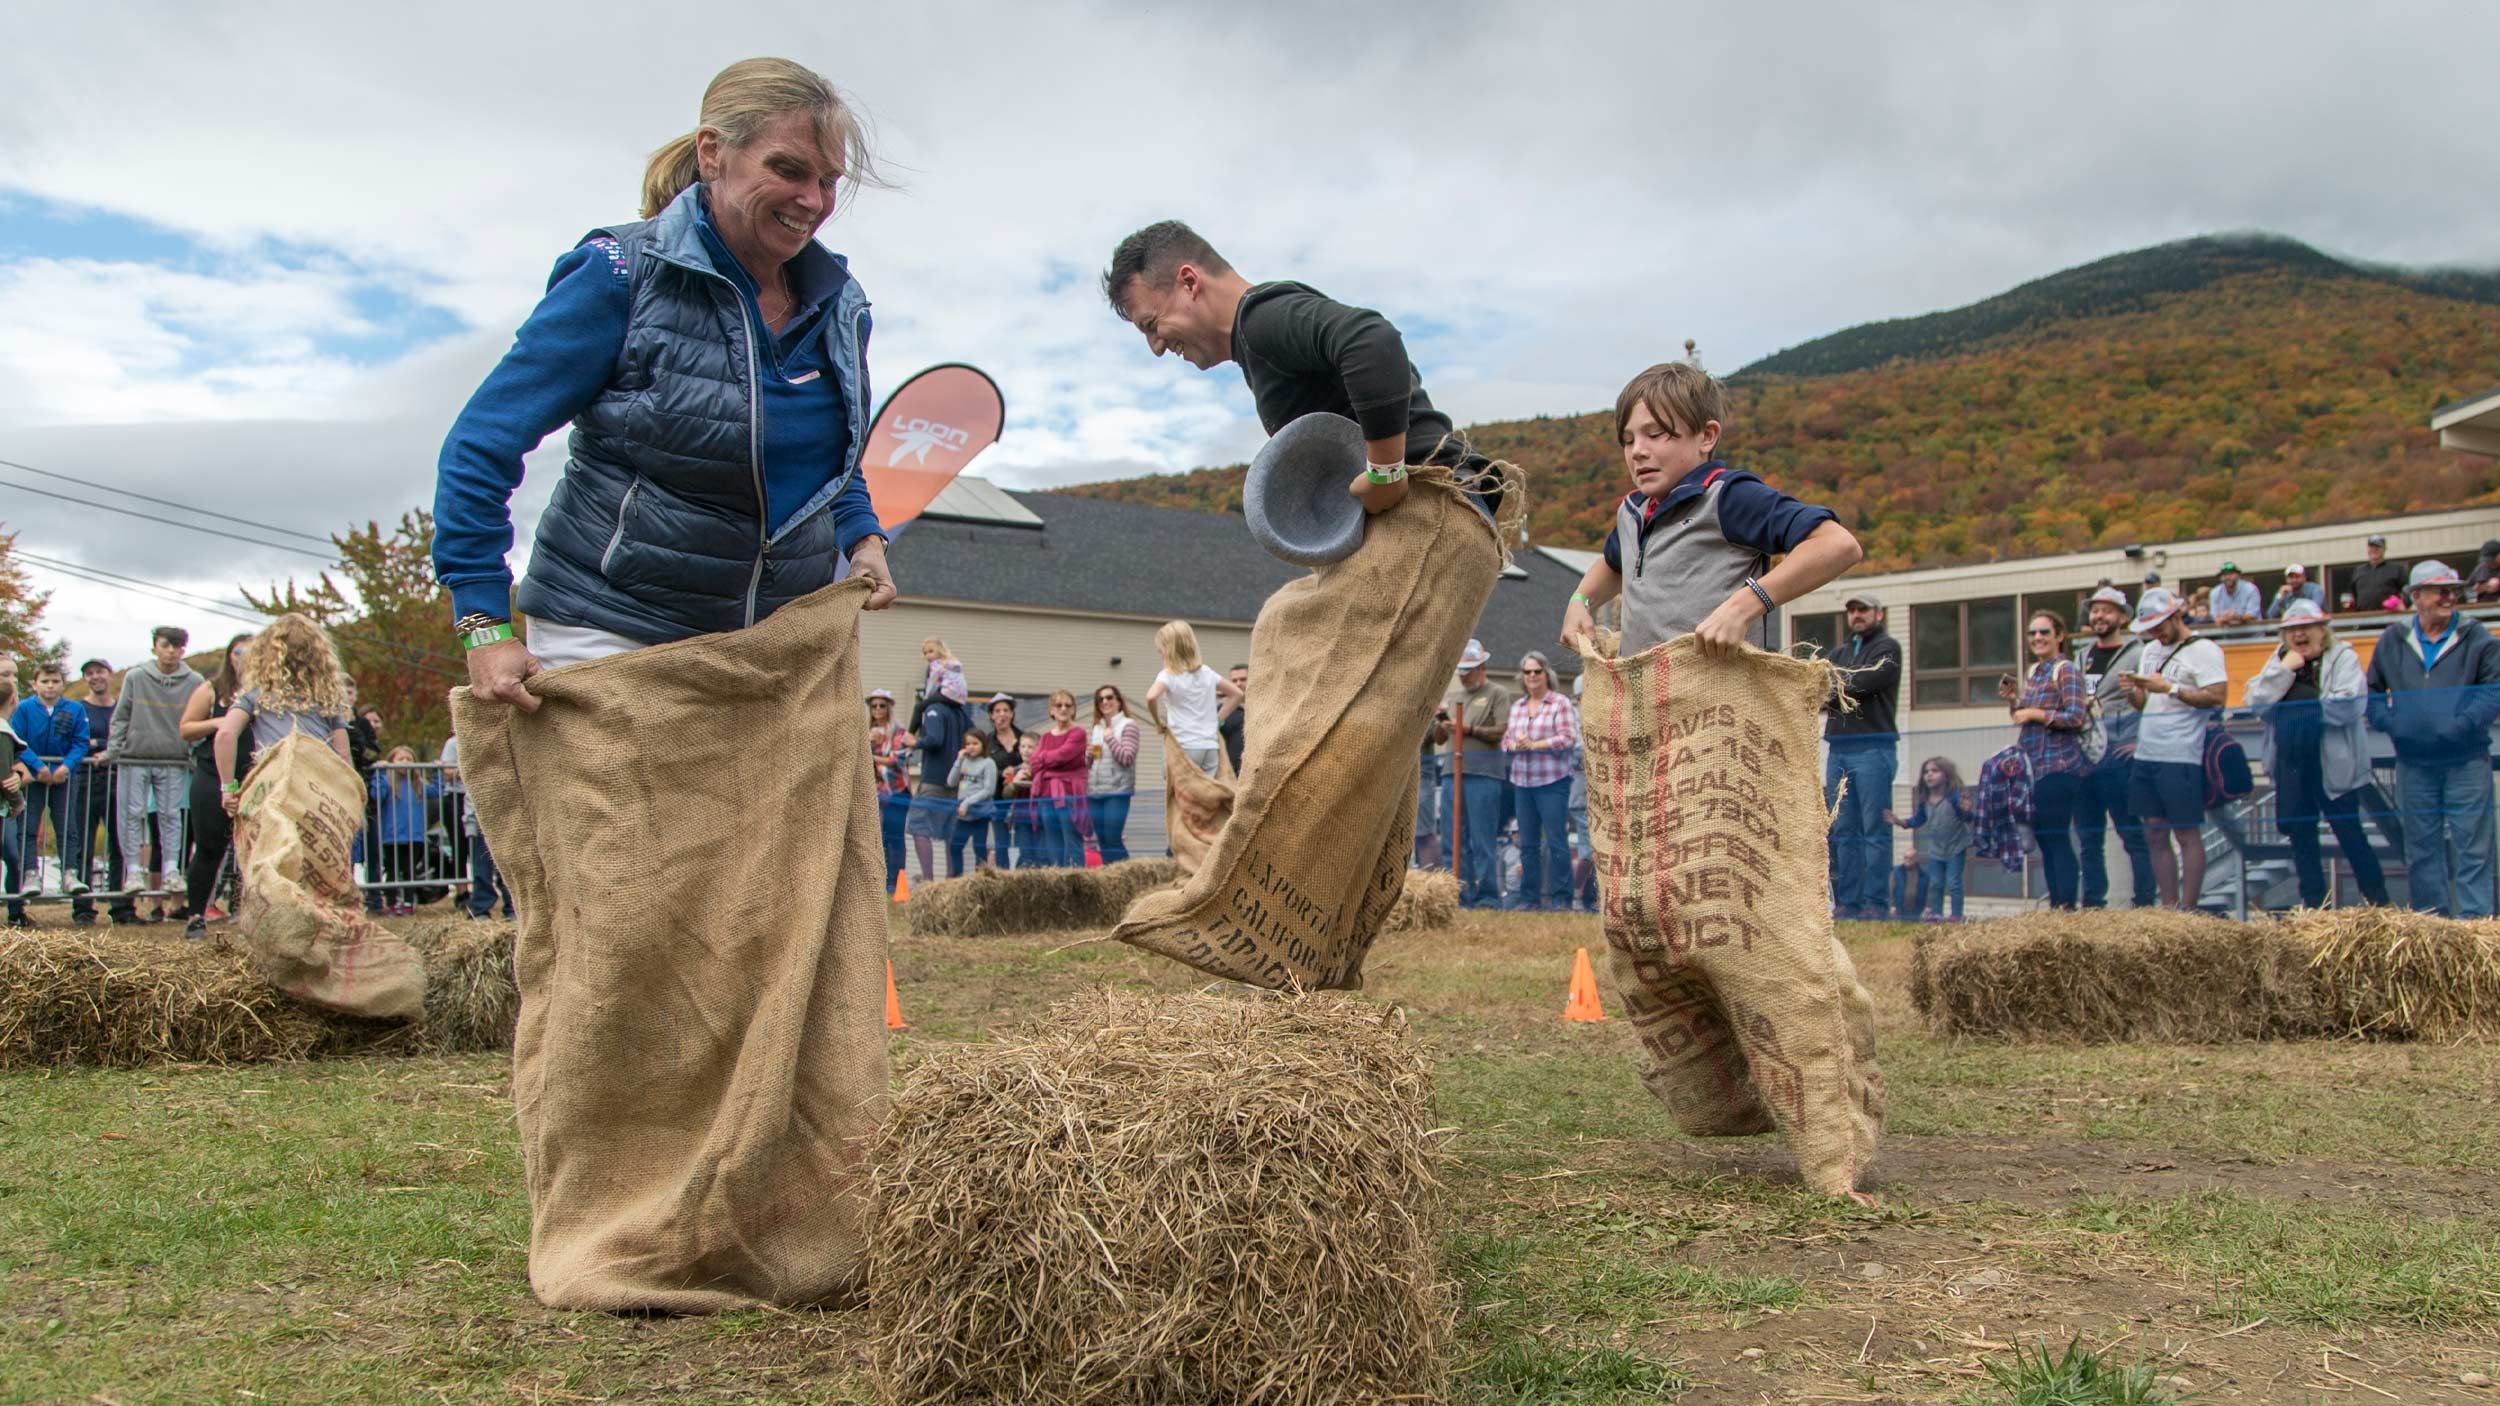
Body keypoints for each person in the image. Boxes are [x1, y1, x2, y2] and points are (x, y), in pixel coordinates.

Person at [429, 56, 899, 1313]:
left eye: (827, 179)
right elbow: (480, 447)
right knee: (627, 944)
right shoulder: (621, 277)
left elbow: (838, 458)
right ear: (714, 155)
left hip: (764, 666)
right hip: (614, 642)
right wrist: (485, 617)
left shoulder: (840, 305)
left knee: (768, 939)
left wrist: (859, 532)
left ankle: (762, 1210)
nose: (810, 200)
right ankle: (616, 1224)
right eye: (786, 170)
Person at [1103, 220, 1501, 527]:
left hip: (1432, 504)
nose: (1155, 347)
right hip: (1426, 509)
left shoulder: (1262, 319)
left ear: (1189, 282)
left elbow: (1372, 341)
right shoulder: (1257, 339)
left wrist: (1385, 475)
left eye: (1151, 324)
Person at [2365, 561, 2500, 917]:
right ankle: (2432, 929)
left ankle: (2477, 929)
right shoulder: (2393, 640)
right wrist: (2393, 725)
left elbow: (2492, 694)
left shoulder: (2479, 638)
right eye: (2441, 590)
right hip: (2414, 764)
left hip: (2466, 761)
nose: (2450, 596)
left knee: (2474, 849)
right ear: (2416, 597)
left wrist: (2460, 726)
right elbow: (2372, 693)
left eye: (2453, 590)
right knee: (2422, 850)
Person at [2246, 601, 2389, 909]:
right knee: (2301, 838)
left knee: (2351, 836)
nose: (2299, 635)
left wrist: (2296, 708)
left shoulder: (2343, 657)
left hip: (2333, 764)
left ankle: (2378, 903)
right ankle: (2314, 907)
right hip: (2292, 763)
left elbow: (2348, 706)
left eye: (2306, 628)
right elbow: (2256, 702)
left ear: (2322, 631)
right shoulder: (2280, 660)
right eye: (2291, 630)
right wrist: (2285, 672)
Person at [2118, 588, 2228, 911]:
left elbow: (2217, 695)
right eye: (2150, 629)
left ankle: (2189, 906)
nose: (2156, 634)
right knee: (2153, 830)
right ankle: (2168, 904)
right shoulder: (2150, 650)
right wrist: (2134, 691)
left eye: (2160, 626)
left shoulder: (2204, 650)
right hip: (2148, 751)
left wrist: (2172, 688)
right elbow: (2144, 704)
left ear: (2176, 617)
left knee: (2185, 832)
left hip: (2181, 754)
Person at [2071, 587, 2155, 909]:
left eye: (2107, 610)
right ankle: (2093, 903)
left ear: (2122, 616)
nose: (2099, 616)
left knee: (2132, 834)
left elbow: (2152, 703)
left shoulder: (2139, 653)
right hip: (2086, 756)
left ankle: (2145, 900)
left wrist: (2139, 743)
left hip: (2119, 755)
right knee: (2089, 839)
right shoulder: (2082, 656)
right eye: (2094, 610)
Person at [1821, 593, 1901, 921]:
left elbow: (1871, 680)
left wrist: (1834, 686)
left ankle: (1876, 904)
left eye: (1862, 609)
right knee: (1842, 829)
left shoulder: (1888, 648)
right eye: (1851, 610)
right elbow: (1820, 685)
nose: (1856, 615)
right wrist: (1836, 687)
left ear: (1878, 613)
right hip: (1838, 749)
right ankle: (1848, 903)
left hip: (1874, 748)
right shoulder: (1838, 653)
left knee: (1874, 830)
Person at [2003, 609, 2090, 909]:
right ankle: (2056, 903)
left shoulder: (2065, 670)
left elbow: (2077, 715)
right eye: (2032, 633)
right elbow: (2021, 717)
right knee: (2044, 839)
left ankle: (2065, 904)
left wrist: (2037, 714)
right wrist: (2014, 703)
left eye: (2044, 632)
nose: (2037, 638)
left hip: (2060, 766)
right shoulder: (2033, 672)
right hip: (2033, 766)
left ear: (2059, 636)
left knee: (2057, 836)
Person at [174, 633, 252, 938]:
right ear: (229, 656)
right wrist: (222, 724)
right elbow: (186, 729)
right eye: (238, 652)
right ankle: (196, 915)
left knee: (256, 850)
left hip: (256, 777)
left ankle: (250, 915)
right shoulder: (213, 689)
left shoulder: (269, 692)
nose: (244, 657)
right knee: (209, 848)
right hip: (212, 776)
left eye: (251, 651)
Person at [1432, 640, 1512, 909]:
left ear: (1482, 667)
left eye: (1469, 670)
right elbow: (1440, 737)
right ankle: (1457, 894)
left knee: (1482, 838)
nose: (1464, 676)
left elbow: (1500, 731)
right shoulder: (1455, 696)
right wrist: (1442, 723)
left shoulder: (1498, 693)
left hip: (1484, 773)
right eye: (1461, 671)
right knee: (1452, 837)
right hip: (1451, 773)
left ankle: (1488, 897)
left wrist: (1468, 729)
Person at [1499, 650, 1578, 910]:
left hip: (1553, 781)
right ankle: (1530, 899)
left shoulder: (1560, 703)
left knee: (1557, 841)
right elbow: (1506, 741)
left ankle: (1562, 899)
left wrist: (1536, 744)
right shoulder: (1518, 707)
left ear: (1546, 674)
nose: (1532, 676)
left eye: (1537, 671)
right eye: (1527, 672)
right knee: (1528, 843)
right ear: (1522, 677)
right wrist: (1516, 746)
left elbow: (1568, 738)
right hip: (1522, 781)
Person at [10, 662, 90, 907]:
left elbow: (80, 742)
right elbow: (18, 740)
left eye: (55, 681)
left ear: (62, 684)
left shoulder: (75, 709)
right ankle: (30, 874)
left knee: (67, 826)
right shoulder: (24, 708)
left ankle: (69, 873)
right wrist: (39, 767)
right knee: (29, 827)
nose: (50, 686)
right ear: (35, 684)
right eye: (45, 681)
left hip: (63, 777)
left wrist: (65, 766)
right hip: (33, 778)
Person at [1145, 620, 1240, 778]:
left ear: (1168, 649)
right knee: (1205, 797)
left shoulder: (1169, 674)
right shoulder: (1207, 673)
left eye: (1160, 650)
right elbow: (1237, 694)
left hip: (1183, 745)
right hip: (1210, 747)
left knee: (1180, 798)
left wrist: (1158, 723)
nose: (1160, 654)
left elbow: (1151, 697)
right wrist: (1218, 720)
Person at [1885, 758, 1972, 922]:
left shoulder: (1953, 797)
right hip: (1936, 849)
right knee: (1936, 883)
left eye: (1934, 771)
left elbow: (1966, 817)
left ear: (1946, 775)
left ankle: (1956, 915)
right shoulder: (1925, 800)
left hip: (1955, 847)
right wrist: (1899, 821)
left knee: (1953, 882)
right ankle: (1936, 914)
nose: (1929, 775)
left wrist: (1966, 810)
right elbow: (1918, 820)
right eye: (1926, 772)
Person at [909, 671, 972, 883]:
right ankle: (951, 880)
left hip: (932, 781)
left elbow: (934, 739)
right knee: (950, 832)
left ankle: (928, 881)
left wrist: (914, 742)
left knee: (919, 827)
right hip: (956, 782)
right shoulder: (963, 715)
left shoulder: (935, 709)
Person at [72, 659, 122, 925]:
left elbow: (126, 738)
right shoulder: (79, 709)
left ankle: (121, 906)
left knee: (120, 845)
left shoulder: (120, 708)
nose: (95, 677)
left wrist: (101, 745)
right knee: (84, 846)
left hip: (117, 782)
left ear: (109, 674)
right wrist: (102, 746)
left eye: (100, 671)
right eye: (89, 673)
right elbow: (77, 742)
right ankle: (82, 907)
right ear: (85, 679)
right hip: (85, 781)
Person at [368, 745, 442, 915]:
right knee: (392, 871)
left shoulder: (418, 784)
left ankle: (408, 902)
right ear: (391, 761)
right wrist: (379, 773)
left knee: (409, 870)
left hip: (414, 836)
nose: (405, 762)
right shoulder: (387, 782)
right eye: (400, 759)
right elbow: (376, 796)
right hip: (391, 836)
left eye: (409, 759)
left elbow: (436, 791)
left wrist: (438, 771)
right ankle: (393, 903)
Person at [1026, 689, 1092, 867]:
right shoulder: (1046, 736)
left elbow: (1063, 756)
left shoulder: (1078, 733)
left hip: (1069, 794)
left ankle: (1076, 880)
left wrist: (1043, 759)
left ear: (1073, 709)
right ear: (1051, 710)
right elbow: (1034, 763)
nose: (1063, 709)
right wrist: (1046, 760)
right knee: (1052, 842)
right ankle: (1058, 879)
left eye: (1068, 705)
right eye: (1059, 705)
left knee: (1071, 839)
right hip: (1046, 795)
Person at [1086, 685, 1141, 865]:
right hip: (1094, 791)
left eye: (1109, 697)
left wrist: (1110, 738)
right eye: (1100, 699)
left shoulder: (1129, 725)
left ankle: (1125, 879)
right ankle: (1111, 880)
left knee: (1113, 839)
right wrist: (1087, 755)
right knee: (1102, 841)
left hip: (1117, 792)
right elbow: (1091, 763)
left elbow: (1126, 758)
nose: (1105, 702)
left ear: (1118, 701)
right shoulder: (1097, 728)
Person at [866, 689, 911, 890]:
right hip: (874, 792)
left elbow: (896, 760)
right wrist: (868, 744)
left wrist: (873, 754)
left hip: (897, 792)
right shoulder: (865, 731)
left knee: (896, 836)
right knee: (878, 837)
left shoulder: (898, 731)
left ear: (889, 707)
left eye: (882, 705)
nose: (877, 709)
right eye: (873, 706)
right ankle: (880, 881)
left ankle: (897, 882)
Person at [980, 695, 1028, 869]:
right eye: (997, 711)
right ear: (991, 716)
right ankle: (1003, 878)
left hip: (1023, 799)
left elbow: (1034, 761)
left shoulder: (1023, 738)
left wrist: (1018, 771)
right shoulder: (986, 741)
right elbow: (981, 769)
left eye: (1006, 710)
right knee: (1001, 843)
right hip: (997, 799)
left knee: (1025, 840)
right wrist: (1002, 773)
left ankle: (1023, 877)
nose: (1002, 715)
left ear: (1012, 714)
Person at [0, 676, 30, 928]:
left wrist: (17, 777)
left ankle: (15, 911)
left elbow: (15, 770)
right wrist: (17, 801)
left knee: (11, 854)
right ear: (13, 700)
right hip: (4, 806)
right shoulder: (3, 732)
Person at [948, 732, 998, 869]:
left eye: (975, 743)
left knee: (979, 849)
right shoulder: (964, 761)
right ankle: (957, 879)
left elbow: (988, 790)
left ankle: (980, 881)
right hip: (964, 815)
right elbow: (951, 782)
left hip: (980, 813)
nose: (971, 747)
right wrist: (958, 761)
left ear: (983, 744)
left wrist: (967, 802)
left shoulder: (988, 763)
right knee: (955, 847)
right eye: (968, 744)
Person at [2347, 534, 2406, 613]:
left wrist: (2402, 604)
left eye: (2377, 547)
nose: (2374, 549)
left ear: (2384, 549)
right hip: (2363, 619)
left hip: (2390, 619)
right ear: (2367, 549)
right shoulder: (2359, 571)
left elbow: (2407, 592)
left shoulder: (2397, 569)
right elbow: (2353, 595)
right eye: (2371, 547)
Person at [1217, 662, 1248, 776]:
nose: (1238, 683)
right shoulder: (1222, 710)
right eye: (1234, 681)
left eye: (1243, 679)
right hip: (1229, 775)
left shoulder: (1263, 709)